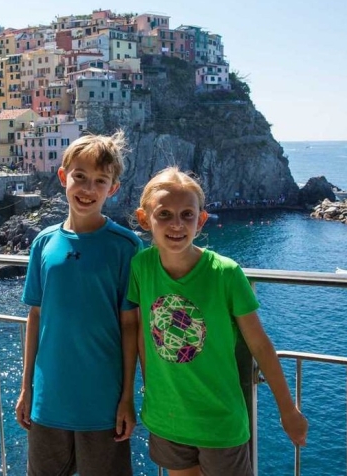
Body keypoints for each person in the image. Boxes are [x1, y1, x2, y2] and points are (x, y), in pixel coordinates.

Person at [129, 167, 308, 476]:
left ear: (200, 221)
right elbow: (144, 333)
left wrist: (287, 409)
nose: (176, 224)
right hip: (167, 415)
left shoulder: (225, 273)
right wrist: (147, 388)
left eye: (187, 215)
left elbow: (259, 344)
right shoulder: (141, 267)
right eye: (165, 214)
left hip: (219, 420)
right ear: (145, 219)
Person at [16, 131, 142, 476]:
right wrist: (26, 389)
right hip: (47, 400)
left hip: (102, 403)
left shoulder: (125, 246)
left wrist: (128, 397)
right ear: (63, 178)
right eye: (80, 177)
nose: (88, 189)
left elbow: (131, 325)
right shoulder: (43, 243)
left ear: (112, 188)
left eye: (100, 181)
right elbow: (36, 317)